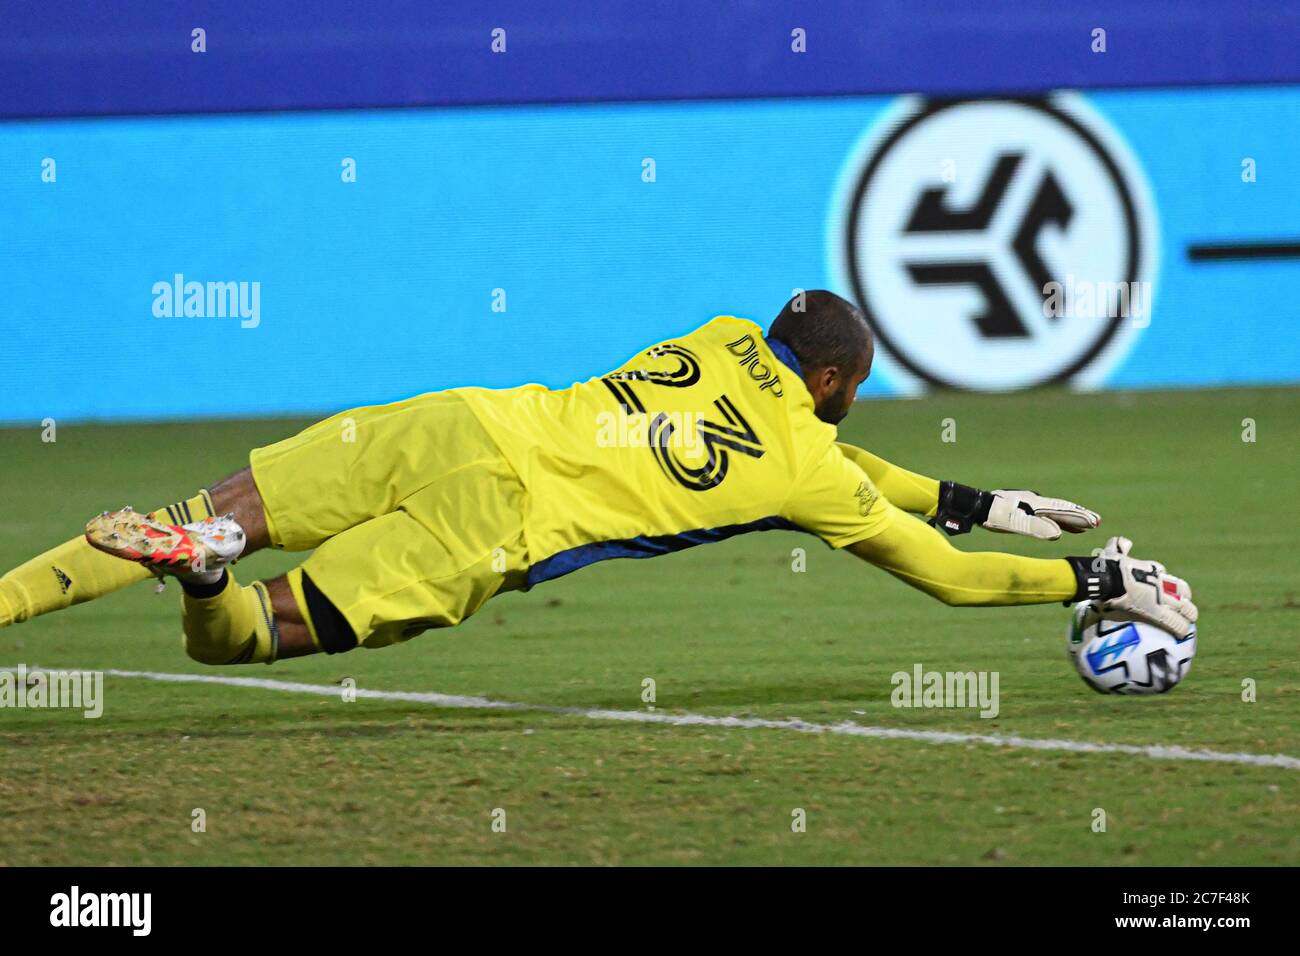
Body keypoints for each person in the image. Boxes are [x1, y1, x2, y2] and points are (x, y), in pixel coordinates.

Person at [0, 291, 1196, 665]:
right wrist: (1089, 572)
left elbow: (837, 451)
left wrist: (977, 495)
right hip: (498, 522)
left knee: (188, 513)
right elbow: (943, 579)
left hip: (459, 417)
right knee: (240, 638)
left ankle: (46, 588)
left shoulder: (729, 331)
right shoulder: (803, 465)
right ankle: (204, 581)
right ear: (836, 385)